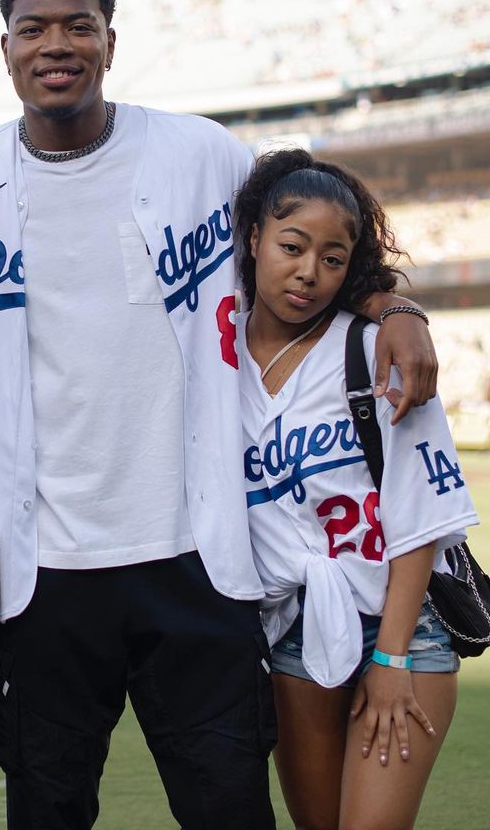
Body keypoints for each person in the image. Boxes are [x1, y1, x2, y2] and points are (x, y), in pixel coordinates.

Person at [0, 0, 440, 829]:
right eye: (33, 29)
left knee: (229, 807)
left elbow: (308, 231)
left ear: (111, 43)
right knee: (47, 811)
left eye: (79, 26)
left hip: (196, 556)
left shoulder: (201, 152)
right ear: (3, 50)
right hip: (46, 574)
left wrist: (395, 306)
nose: (57, 45)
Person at [233, 149, 476, 830]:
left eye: (334, 258)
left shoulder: (373, 349)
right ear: (253, 237)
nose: (309, 273)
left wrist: (391, 657)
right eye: (291, 246)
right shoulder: (214, 355)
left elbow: (422, 519)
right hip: (291, 633)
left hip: (402, 628)